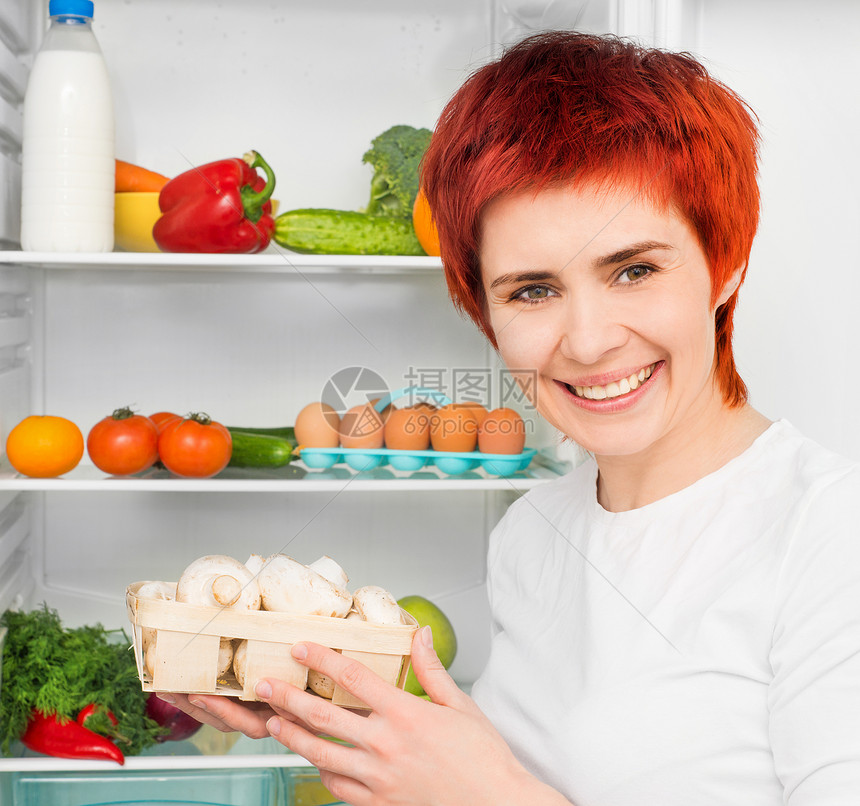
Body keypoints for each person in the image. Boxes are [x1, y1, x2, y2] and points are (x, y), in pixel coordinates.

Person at [160, 31, 860, 804]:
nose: (588, 341)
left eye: (634, 270)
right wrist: (312, 695)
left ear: (724, 263)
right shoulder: (532, 530)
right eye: (532, 290)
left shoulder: (827, 535)